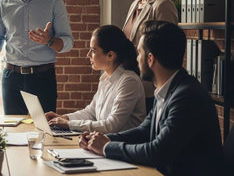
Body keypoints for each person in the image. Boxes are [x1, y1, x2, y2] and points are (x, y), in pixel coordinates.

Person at [79, 21, 224, 176]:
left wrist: (107, 147)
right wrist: (101, 138)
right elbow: (144, 131)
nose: (136, 59)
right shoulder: (167, 88)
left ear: (150, 59)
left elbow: (157, 152)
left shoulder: (187, 96)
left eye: (140, 53)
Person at [45, 25, 145, 133]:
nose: (88, 55)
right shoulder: (105, 78)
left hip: (122, 146)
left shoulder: (129, 82)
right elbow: (91, 112)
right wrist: (64, 118)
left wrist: (69, 124)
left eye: (93, 50)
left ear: (110, 55)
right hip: (104, 143)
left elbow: (111, 125)